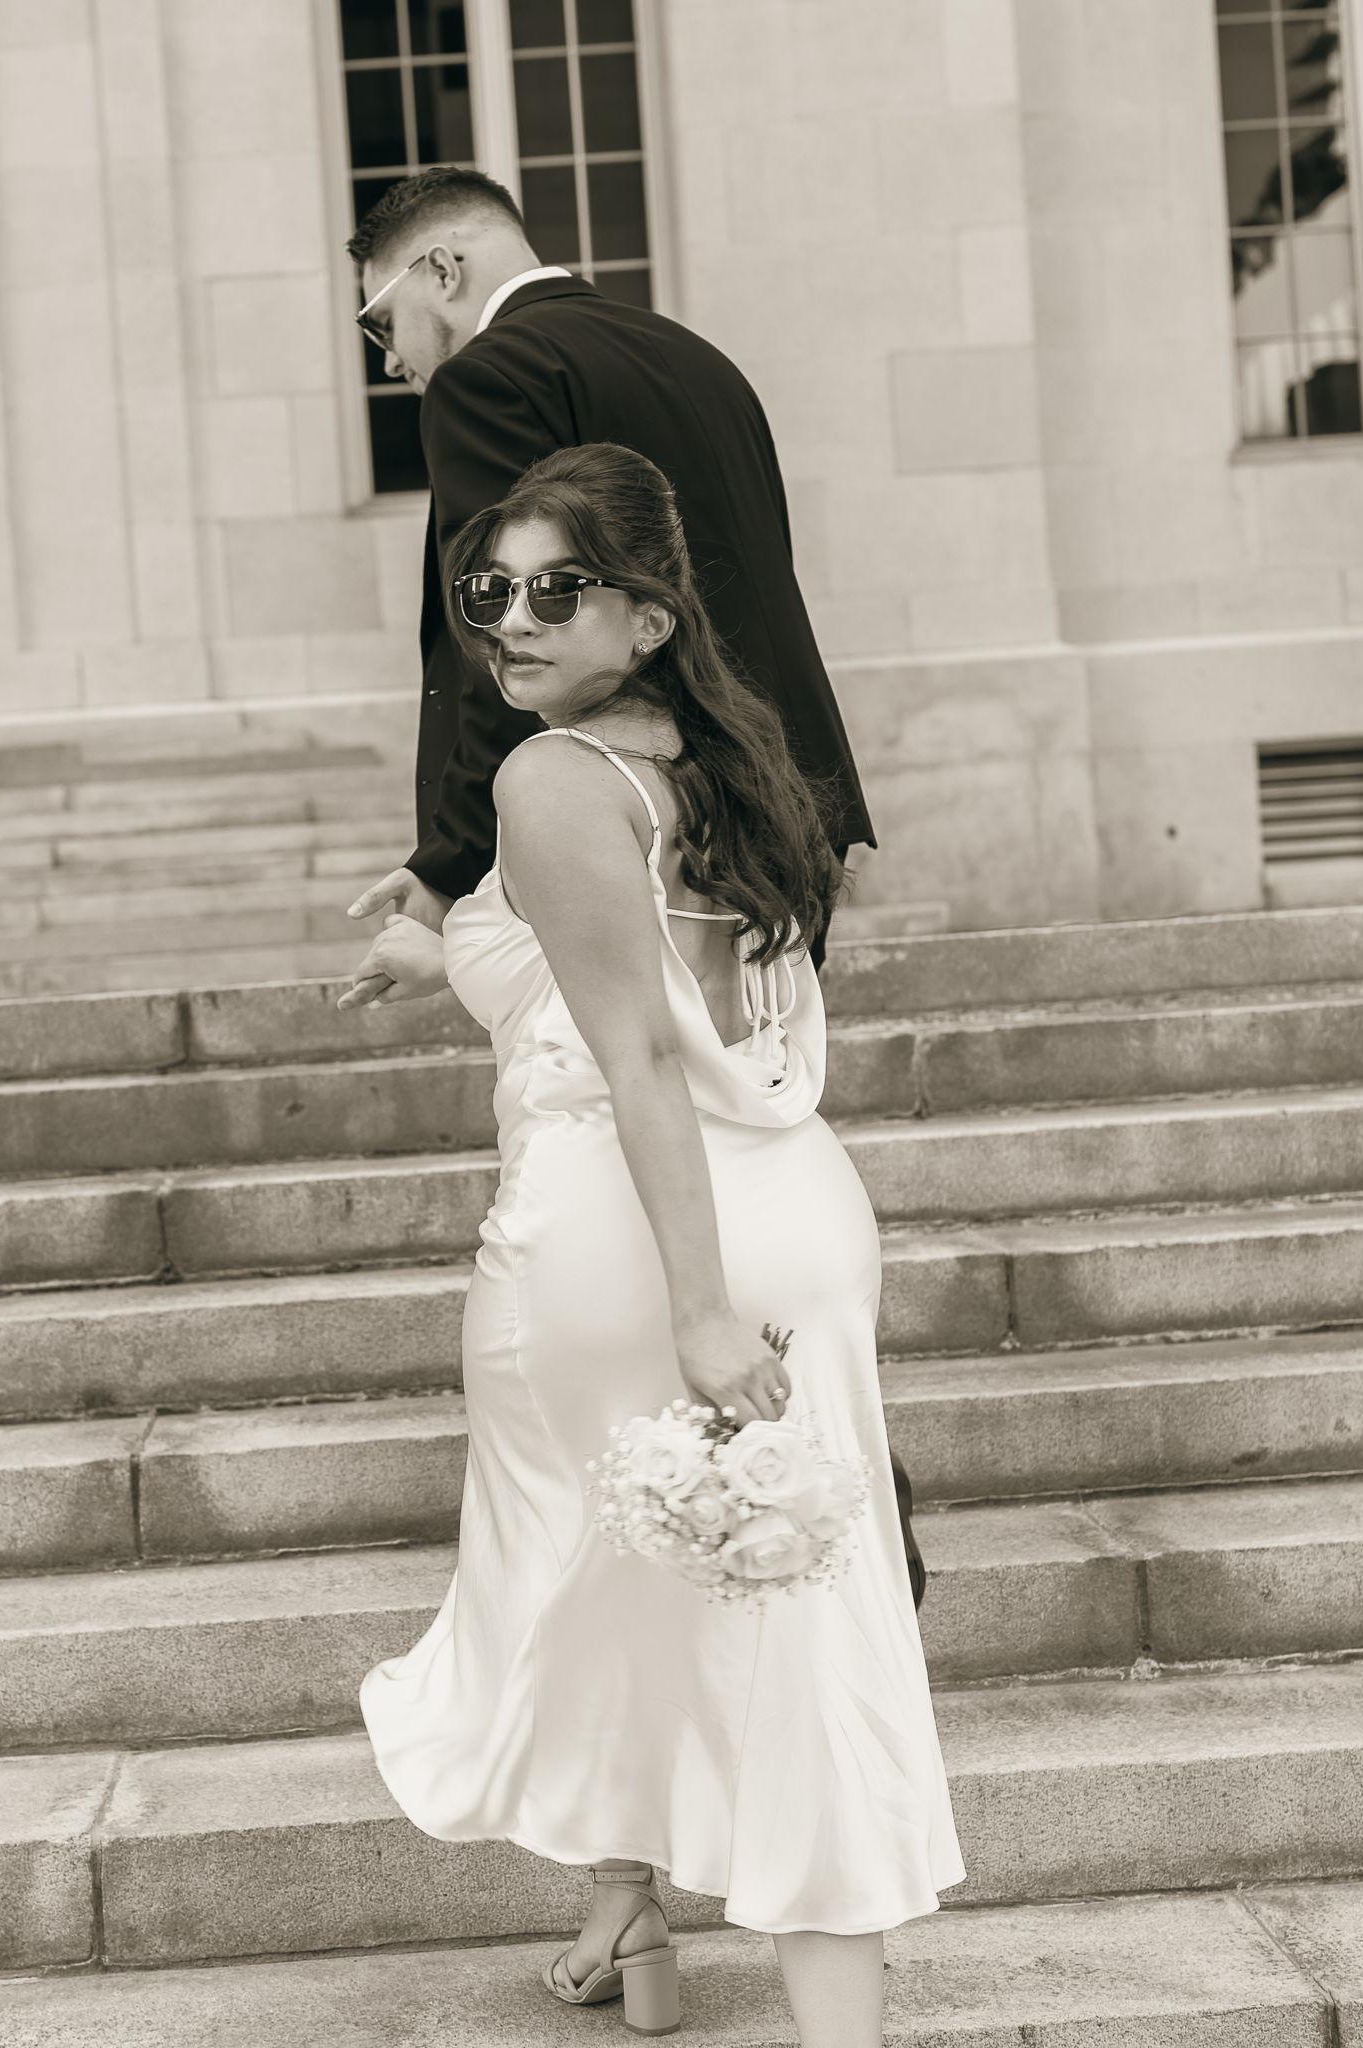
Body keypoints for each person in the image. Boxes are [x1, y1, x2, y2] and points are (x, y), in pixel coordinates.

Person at [357, 444, 963, 2048]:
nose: (511, 621)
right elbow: (643, 988)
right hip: (796, 1202)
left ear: (645, 613)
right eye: (485, 592)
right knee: (748, 1592)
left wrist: (700, 1311)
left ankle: (735, 1954)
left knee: (614, 1585)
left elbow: (632, 1056)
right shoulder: (728, 760)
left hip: (637, 1235)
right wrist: (447, 953)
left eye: (556, 590)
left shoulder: (552, 781)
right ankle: (638, 1920)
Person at [338, 164, 925, 1610]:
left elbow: (501, 650)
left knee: (644, 1092)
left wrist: (449, 871)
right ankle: (816, 1501)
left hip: (612, 809)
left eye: (381, 321)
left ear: (446, 272)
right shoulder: (694, 357)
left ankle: (758, 1508)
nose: (392, 359)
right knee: (747, 1112)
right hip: (758, 800)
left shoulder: (492, 378)